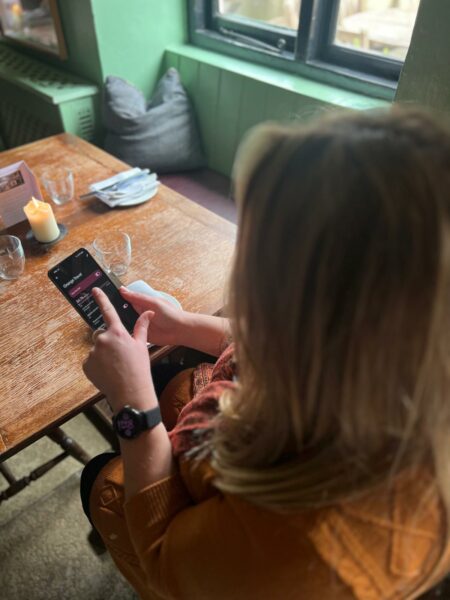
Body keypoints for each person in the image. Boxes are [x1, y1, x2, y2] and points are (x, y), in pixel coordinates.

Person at [80, 108, 450, 599]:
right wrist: (185, 325)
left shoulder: (309, 547)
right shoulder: (407, 362)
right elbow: (286, 343)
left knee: (96, 477)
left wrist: (132, 407)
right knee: (176, 375)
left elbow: (166, 564)